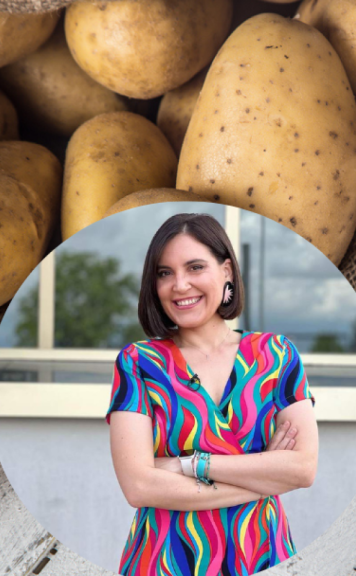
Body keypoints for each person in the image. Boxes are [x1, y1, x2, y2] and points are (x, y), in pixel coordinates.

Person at [106, 213, 318, 576]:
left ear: (227, 272)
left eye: (195, 267)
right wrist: (264, 478)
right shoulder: (139, 363)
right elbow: (139, 487)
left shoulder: (277, 355)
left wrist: (189, 465)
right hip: (166, 560)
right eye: (164, 272)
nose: (180, 285)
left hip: (263, 555)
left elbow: (302, 468)